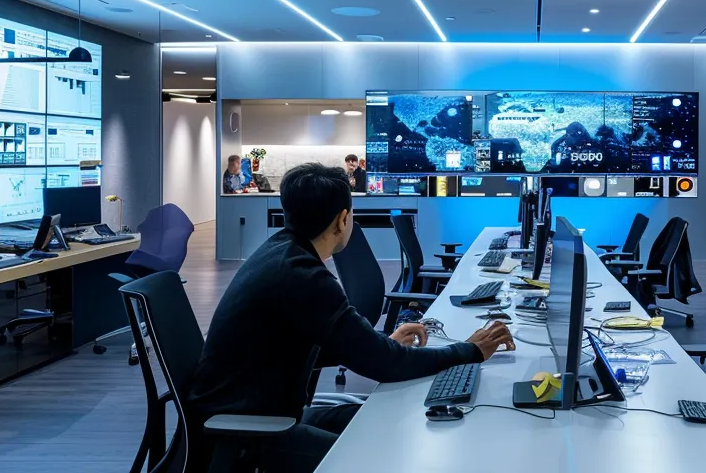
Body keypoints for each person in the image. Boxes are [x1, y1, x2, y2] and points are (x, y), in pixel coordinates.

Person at [188, 163, 514, 472]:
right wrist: (469, 351)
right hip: (247, 432)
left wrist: (379, 342)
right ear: (343, 219)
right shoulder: (302, 276)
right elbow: (385, 364)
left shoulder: (281, 253)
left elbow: (302, 341)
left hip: (253, 410)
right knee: (383, 457)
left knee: (383, 421)